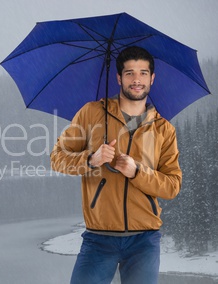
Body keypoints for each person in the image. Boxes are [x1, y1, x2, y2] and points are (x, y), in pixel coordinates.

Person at [50, 46, 182, 284]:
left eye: (143, 73)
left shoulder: (164, 129)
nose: (137, 80)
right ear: (119, 77)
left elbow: (172, 186)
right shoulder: (91, 113)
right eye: (130, 73)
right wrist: (90, 159)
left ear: (152, 78)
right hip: (98, 238)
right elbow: (57, 158)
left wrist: (137, 172)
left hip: (144, 241)